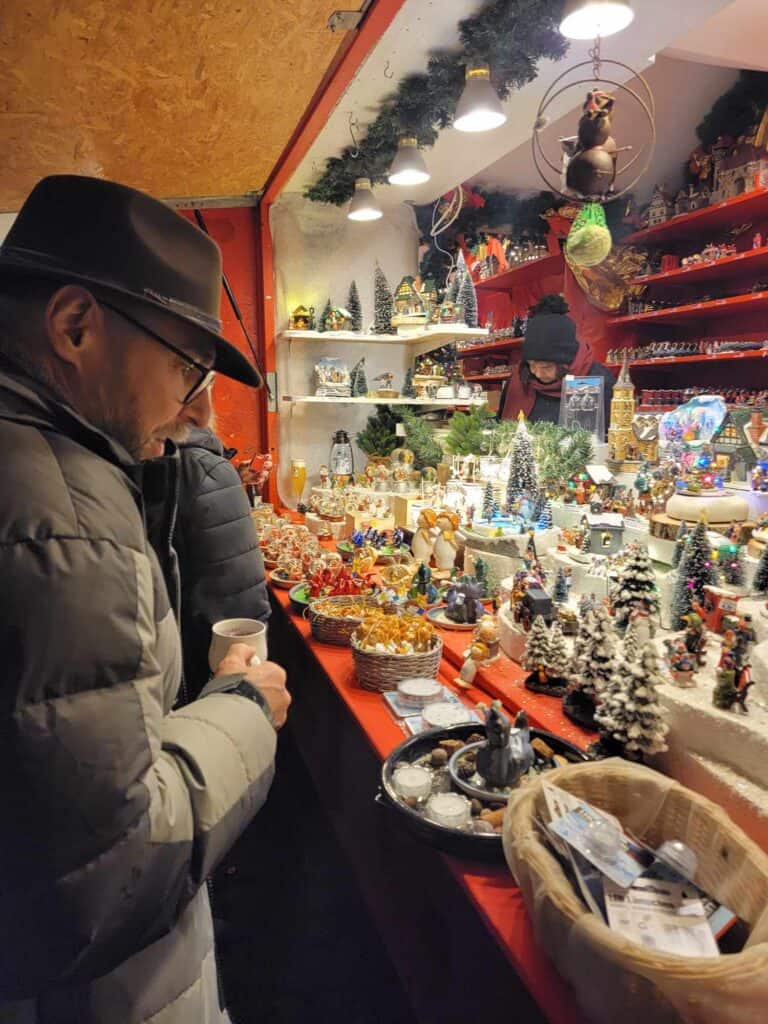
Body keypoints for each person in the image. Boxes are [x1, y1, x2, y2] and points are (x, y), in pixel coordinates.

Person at [0, 175, 290, 1024]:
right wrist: (243, 708)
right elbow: (105, 876)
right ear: (75, 325)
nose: (200, 408)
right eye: (184, 366)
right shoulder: (65, 514)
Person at [155, 397, 271, 701]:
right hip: (203, 683)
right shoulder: (204, 468)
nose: (206, 411)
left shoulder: (134, 460)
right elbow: (243, 614)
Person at [499, 294, 614, 433]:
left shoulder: (597, 380)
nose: (538, 373)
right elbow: (501, 424)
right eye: (532, 365)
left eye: (546, 367)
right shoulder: (520, 380)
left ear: (567, 362)